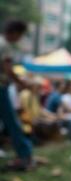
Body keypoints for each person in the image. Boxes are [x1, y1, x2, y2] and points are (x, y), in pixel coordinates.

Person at [0, 20, 33, 170]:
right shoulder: (4, 46)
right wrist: (21, 83)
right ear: (15, 32)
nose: (20, 38)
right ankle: (24, 156)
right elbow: (8, 69)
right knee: (12, 122)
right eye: (21, 35)